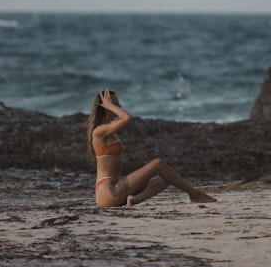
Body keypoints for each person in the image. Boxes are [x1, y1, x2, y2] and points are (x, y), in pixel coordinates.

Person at [87, 88, 217, 208]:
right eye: (116, 104)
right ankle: (196, 195)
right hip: (108, 193)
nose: (120, 106)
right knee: (158, 163)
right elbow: (126, 117)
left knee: (165, 178)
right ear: (105, 106)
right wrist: (110, 105)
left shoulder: (108, 127)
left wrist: (111, 106)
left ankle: (135, 199)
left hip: (115, 189)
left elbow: (124, 118)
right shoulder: (99, 131)